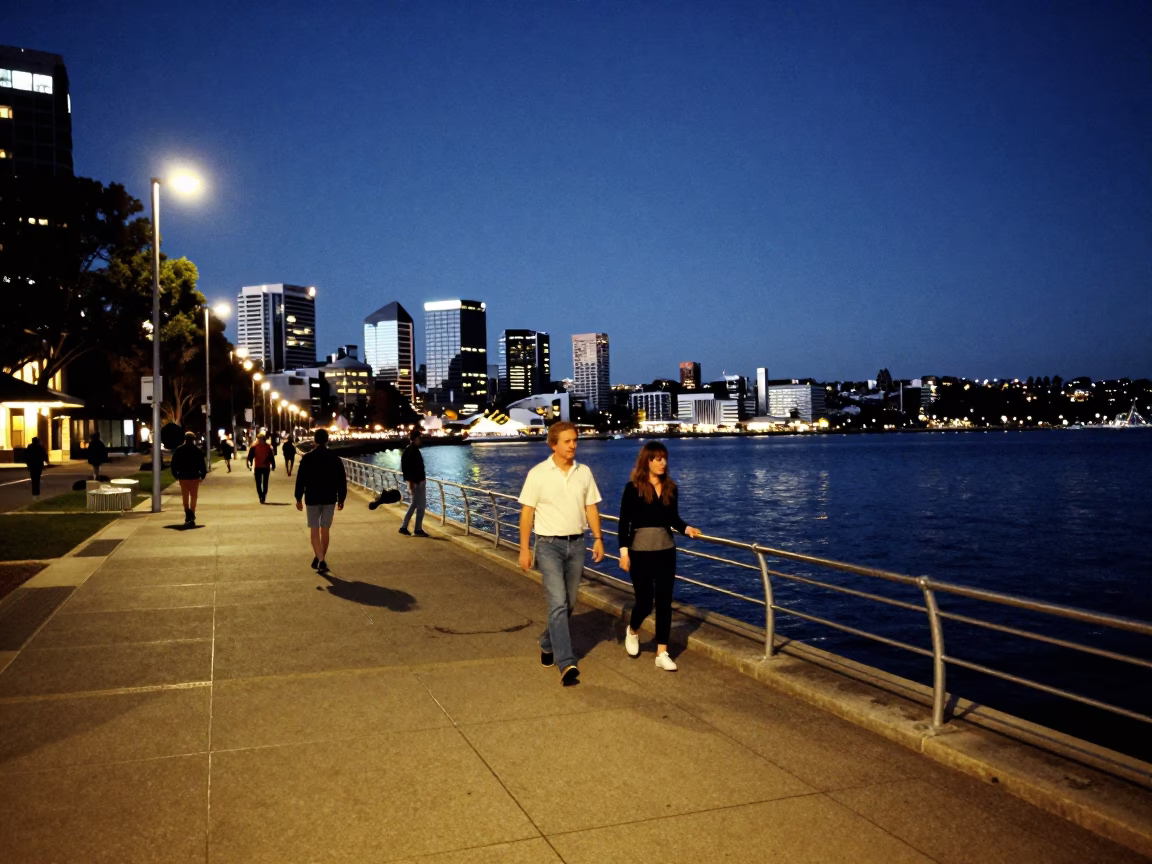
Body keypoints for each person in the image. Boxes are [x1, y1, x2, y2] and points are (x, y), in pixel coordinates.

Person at [518, 421, 605, 686]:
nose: (573, 446)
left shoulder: (584, 472)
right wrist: (524, 549)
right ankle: (566, 663)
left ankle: (546, 641)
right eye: (567, 441)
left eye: (575, 440)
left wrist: (598, 538)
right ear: (553, 444)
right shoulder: (538, 473)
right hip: (548, 545)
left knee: (569, 603)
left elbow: (590, 507)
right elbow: (527, 513)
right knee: (557, 602)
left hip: (577, 544)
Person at [618, 441, 701, 671]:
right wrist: (624, 552)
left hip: (666, 550)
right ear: (647, 461)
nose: (663, 462)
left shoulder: (670, 488)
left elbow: (673, 519)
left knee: (664, 601)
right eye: (657, 458)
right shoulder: (632, 488)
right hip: (640, 551)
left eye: (664, 458)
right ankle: (633, 630)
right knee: (644, 602)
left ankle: (662, 652)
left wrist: (686, 529)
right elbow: (624, 523)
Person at [294, 428, 347, 573]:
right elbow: (342, 480)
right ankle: (321, 557)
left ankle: (321, 559)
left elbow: (301, 480)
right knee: (325, 530)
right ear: (327, 440)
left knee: (314, 530)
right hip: (330, 497)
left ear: (315, 441)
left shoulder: (307, 458)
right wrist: (341, 498)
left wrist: (298, 498)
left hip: (312, 497)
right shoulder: (335, 458)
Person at [171, 431, 208, 525]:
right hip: (194, 476)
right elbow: (202, 464)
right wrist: (202, 475)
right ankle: (192, 513)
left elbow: (174, 464)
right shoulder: (197, 450)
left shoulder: (179, 450)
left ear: (185, 439)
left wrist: (176, 474)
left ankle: (187, 512)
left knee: (185, 496)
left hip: (183, 476)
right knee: (194, 496)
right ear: (193, 440)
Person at [397, 428, 428, 537]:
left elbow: (405, 468)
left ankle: (404, 526)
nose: (421, 440)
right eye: (420, 438)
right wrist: (413, 482)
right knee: (421, 506)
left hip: (415, 482)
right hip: (417, 483)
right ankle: (417, 529)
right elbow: (411, 468)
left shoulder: (408, 450)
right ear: (415, 439)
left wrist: (409, 480)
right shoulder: (413, 451)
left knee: (414, 504)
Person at [246, 432, 276, 503]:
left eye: (260, 439)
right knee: (258, 483)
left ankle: (264, 495)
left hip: (266, 467)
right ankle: (260, 496)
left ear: (263, 439)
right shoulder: (254, 447)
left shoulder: (268, 447)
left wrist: (273, 465)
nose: (259, 440)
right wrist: (249, 464)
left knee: (265, 483)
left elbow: (271, 457)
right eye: (258, 439)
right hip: (257, 467)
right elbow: (250, 456)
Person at [24, 436, 49, 502]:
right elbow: (44, 455)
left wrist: (28, 464)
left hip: (32, 466)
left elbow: (26, 456)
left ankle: (34, 493)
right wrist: (46, 461)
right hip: (38, 466)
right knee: (37, 479)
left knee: (33, 480)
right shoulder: (40, 447)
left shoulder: (30, 447)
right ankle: (37, 493)